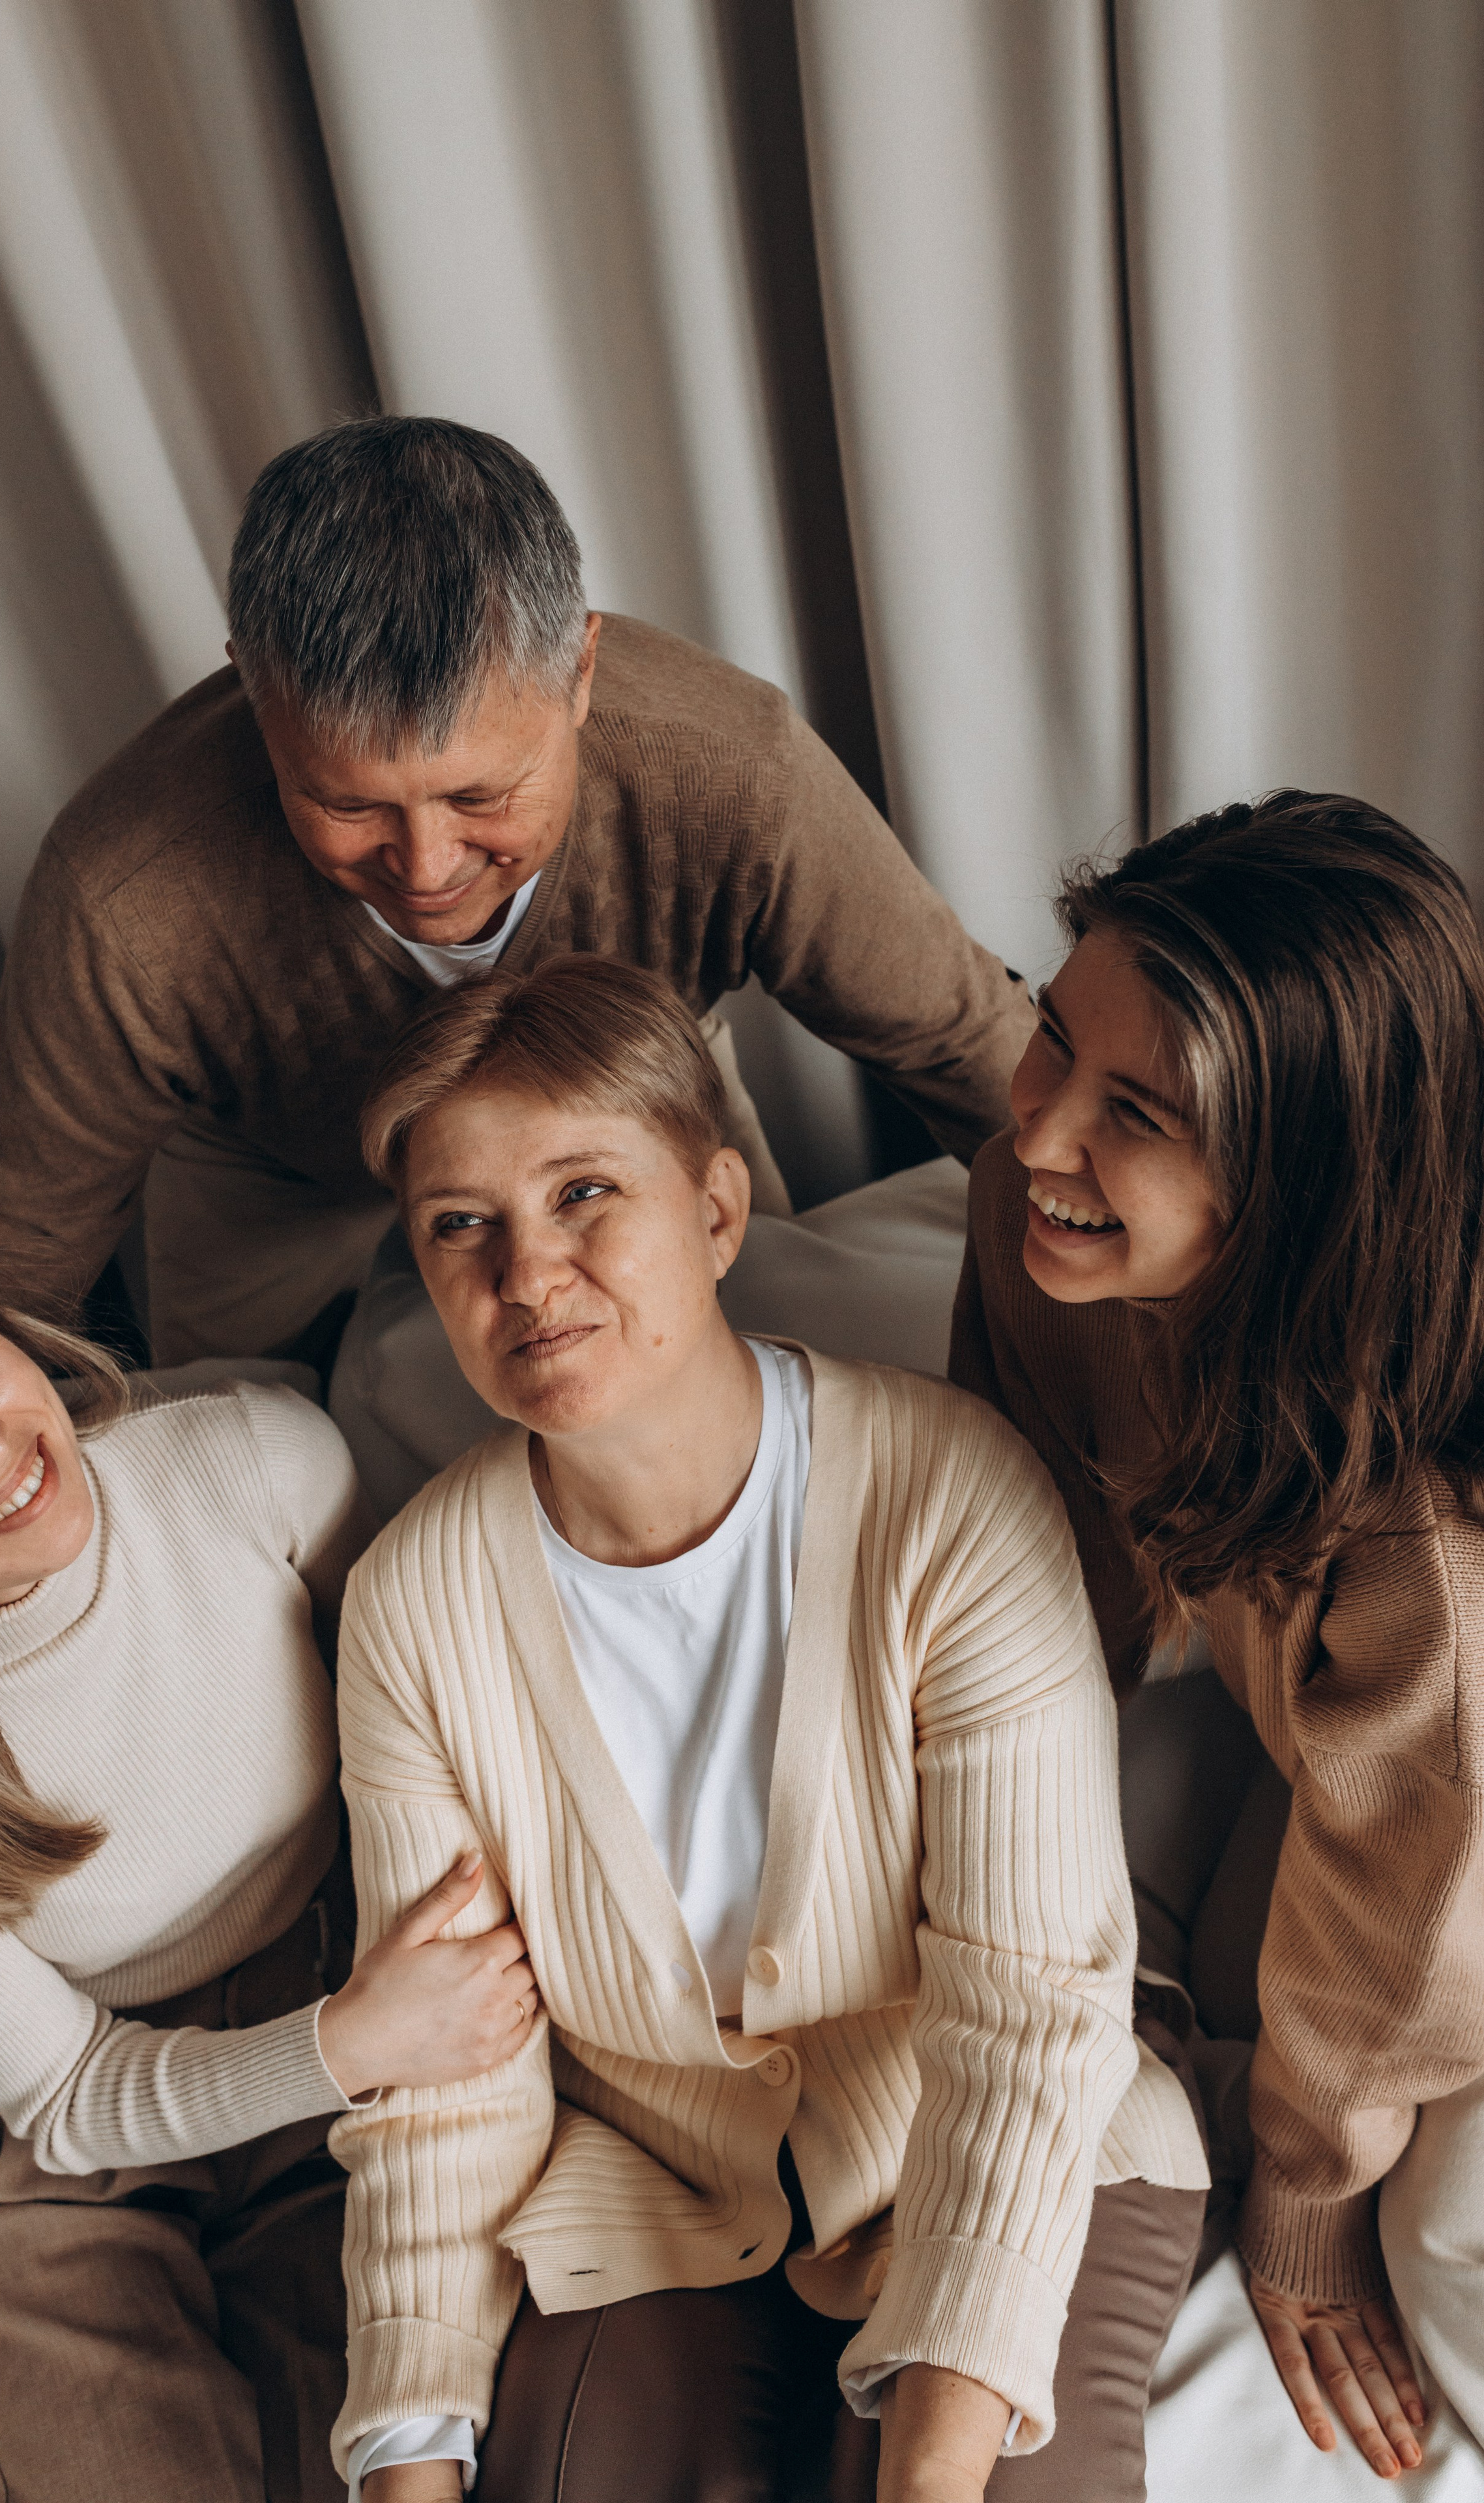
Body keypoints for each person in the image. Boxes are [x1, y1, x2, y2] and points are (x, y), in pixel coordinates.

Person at [327, 956, 1207, 2503]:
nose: (524, 1274)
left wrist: (925, 2479)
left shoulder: (950, 1496)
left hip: (1010, 2125)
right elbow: (447, 2085)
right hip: (658, 2194)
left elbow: (1025, 2017)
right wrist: (408, 2451)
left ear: (717, 1212)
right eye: (459, 1224)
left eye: (584, 1192)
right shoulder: (411, 1609)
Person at [0, 415, 1032, 1377]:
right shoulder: (121, 898)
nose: (425, 869)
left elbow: (960, 1042)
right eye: (347, 805)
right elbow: (19, 1252)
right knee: (268, 1469)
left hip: (637, 1114)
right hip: (276, 1177)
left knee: (757, 1380)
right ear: (250, 685)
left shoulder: (733, 766)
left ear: (582, 672)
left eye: (481, 794)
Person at [0, 1199, 538, 2503]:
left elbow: (451, 1749)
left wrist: (358, 2043)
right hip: (54, 2147)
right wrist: (350, 2044)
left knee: (361, 2453)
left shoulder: (253, 1462)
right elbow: (71, 2094)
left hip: (334, 2018)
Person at [948, 791, 1484, 2482]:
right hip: (1318, 1748)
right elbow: (1029, 1515)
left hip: (1461, 1850)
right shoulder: (1033, 1213)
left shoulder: (1419, 1560)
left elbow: (1407, 1954)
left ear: (1298, 1186)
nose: (1044, 1136)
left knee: (1439, 2253)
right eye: (1054, 1043)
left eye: (1138, 1117)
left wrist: (1307, 2200)